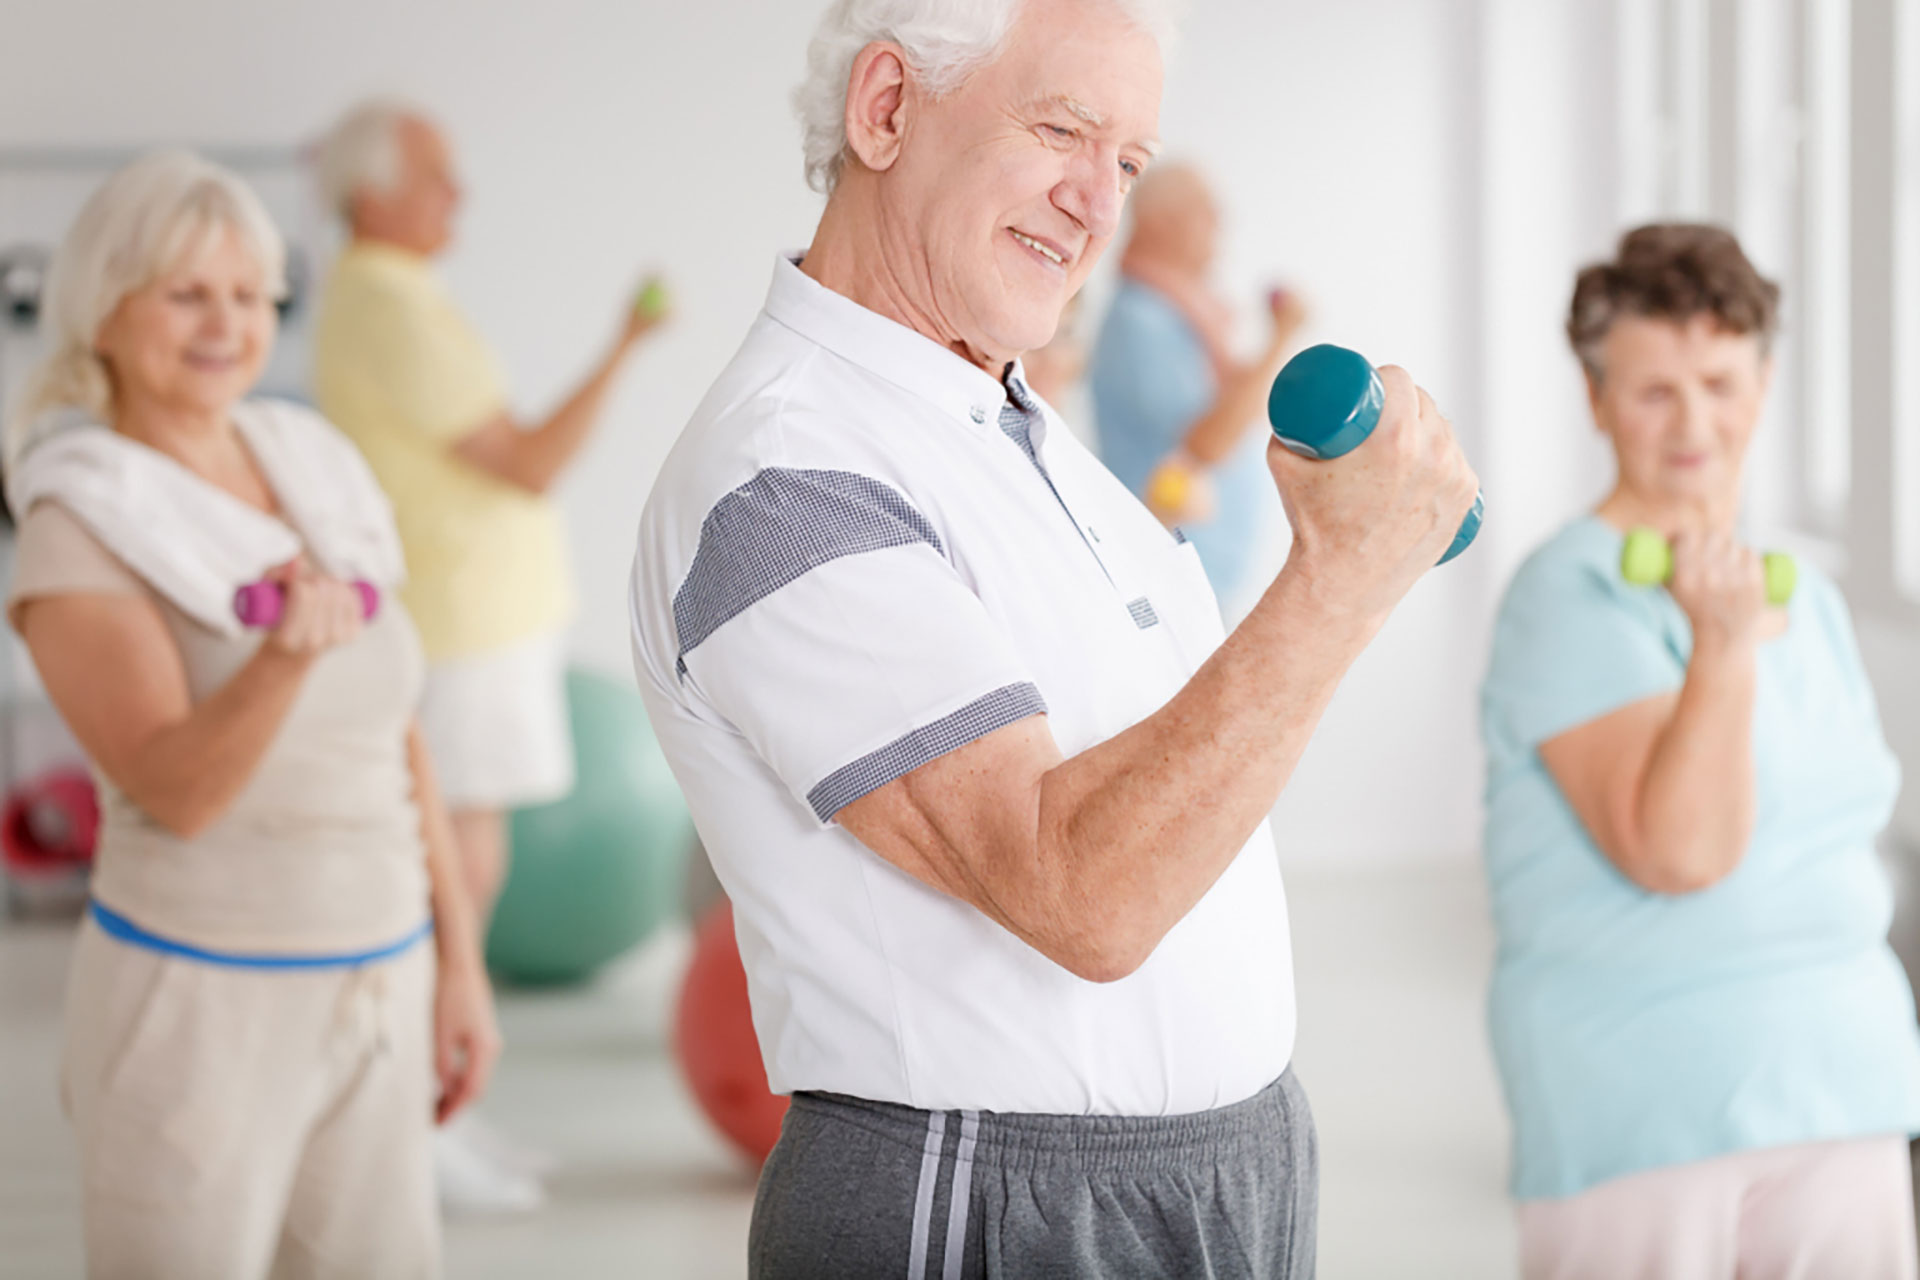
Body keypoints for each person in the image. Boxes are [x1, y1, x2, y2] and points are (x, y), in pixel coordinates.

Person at [628, 0, 1477, 1274]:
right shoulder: (782, 470)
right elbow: (1080, 890)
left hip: (1230, 1178)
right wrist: (1340, 581)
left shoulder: (1013, 425)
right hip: (989, 1208)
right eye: (1061, 130)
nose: (1098, 203)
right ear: (885, 108)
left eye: (1127, 161)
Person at [4, 149, 498, 1279]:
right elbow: (175, 790)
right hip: (195, 1004)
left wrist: (457, 961)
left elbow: (395, 730)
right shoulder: (76, 519)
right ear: (105, 312)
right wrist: (280, 660)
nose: (225, 323)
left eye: (248, 294)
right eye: (186, 293)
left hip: (381, 976)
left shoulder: (313, 462)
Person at [1480, 223, 1920, 1280]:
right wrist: (1719, 646)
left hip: (1846, 1083)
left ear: (1764, 383)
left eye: (1721, 381)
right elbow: (1679, 852)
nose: (1695, 423)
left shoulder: (1804, 596)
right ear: (1596, 398)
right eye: (1654, 390)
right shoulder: (1565, 594)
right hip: (1648, 1104)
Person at [310, 98, 667, 1211]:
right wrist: (626, 345)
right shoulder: (384, 305)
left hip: (480, 624)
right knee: (446, 886)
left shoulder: (400, 298)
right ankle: (407, 1129)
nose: (456, 194)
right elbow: (527, 459)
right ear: (372, 194)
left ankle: (443, 1111)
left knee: (469, 875)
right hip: (454, 627)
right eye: (434, 174)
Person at [1089, 161, 1306, 610]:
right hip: (1172, 580)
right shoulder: (1141, 321)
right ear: (1163, 223)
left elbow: (1223, 403)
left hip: (1197, 578)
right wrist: (1282, 337)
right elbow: (1207, 443)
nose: (1221, 226)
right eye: (1207, 213)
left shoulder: (1174, 316)